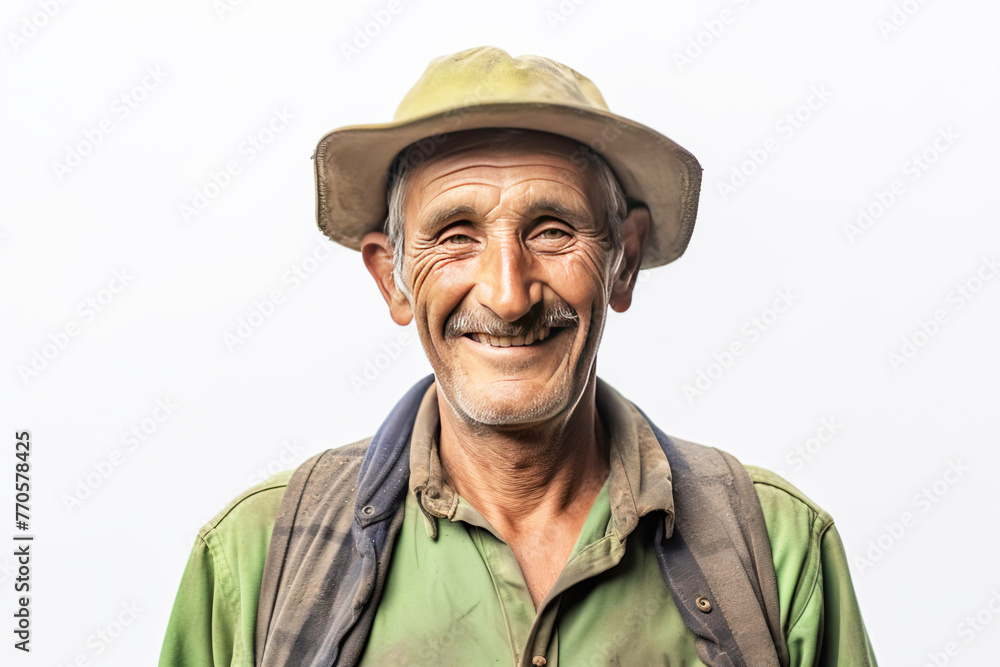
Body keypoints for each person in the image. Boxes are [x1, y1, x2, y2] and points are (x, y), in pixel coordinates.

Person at [159, 47, 877, 666]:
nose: (507, 295)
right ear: (391, 276)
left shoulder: (777, 551)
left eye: (553, 229)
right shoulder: (255, 562)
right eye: (455, 235)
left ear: (621, 263)